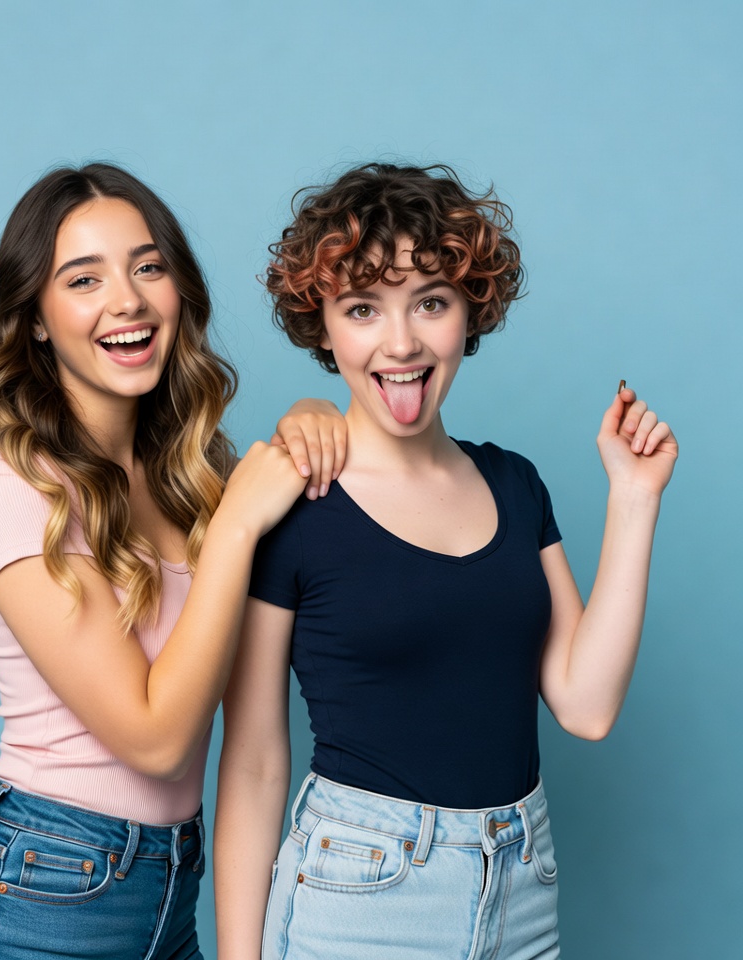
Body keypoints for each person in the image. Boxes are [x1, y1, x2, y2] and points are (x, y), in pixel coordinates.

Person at [213, 163, 678, 960]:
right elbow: (254, 761)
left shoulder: (515, 484)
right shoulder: (289, 504)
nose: (401, 342)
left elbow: (587, 707)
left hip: (523, 885)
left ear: (469, 312)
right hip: (358, 891)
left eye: (430, 302)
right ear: (322, 326)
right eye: (363, 309)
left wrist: (634, 501)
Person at [0, 162, 345, 960]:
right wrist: (242, 519)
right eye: (83, 279)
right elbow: (156, 740)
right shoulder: (12, 488)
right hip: (40, 894)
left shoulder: (193, 478)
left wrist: (319, 416)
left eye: (148, 267)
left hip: (167, 890)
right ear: (34, 319)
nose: (128, 300)